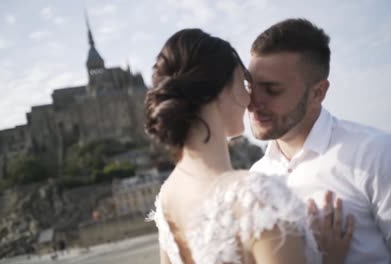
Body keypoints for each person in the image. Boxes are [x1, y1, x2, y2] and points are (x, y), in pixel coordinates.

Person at [145, 28, 353, 264]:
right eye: (245, 83)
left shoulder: (167, 198)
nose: (251, 99)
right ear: (221, 90)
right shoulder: (256, 196)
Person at [248, 18, 391, 263]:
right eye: (251, 87)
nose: (253, 102)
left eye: (271, 89)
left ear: (317, 93)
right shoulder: (255, 178)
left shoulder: (382, 156)